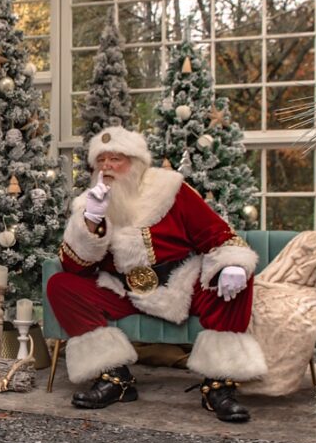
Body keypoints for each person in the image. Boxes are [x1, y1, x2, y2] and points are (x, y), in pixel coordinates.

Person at [47, 125, 266, 422]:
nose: (107, 166)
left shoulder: (172, 189)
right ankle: (115, 379)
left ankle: (219, 385)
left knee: (233, 277)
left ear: (136, 164)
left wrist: (232, 264)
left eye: (116, 159)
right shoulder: (89, 204)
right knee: (61, 284)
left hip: (180, 285)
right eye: (101, 160)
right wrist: (91, 222)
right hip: (125, 292)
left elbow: (218, 236)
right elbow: (75, 266)